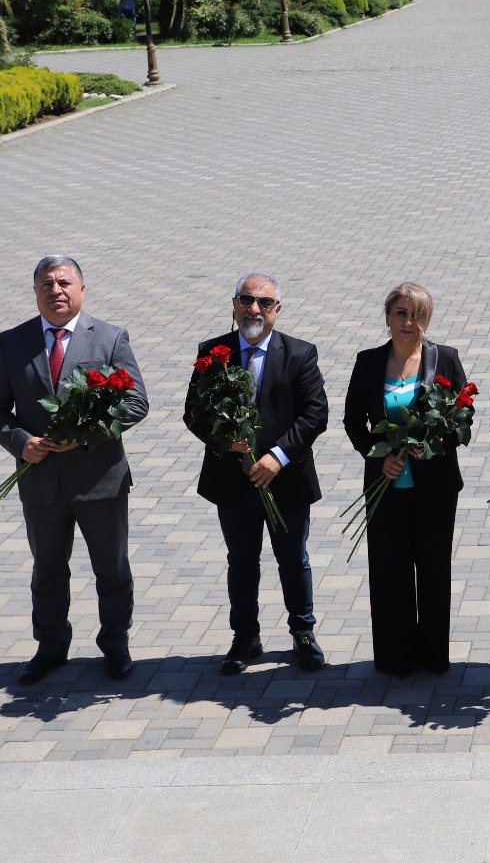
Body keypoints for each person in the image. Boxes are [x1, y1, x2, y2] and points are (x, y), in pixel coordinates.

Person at [0, 256, 149, 685]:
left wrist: (86, 435)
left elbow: (135, 403)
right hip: (40, 482)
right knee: (48, 570)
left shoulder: (110, 338)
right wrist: (22, 443)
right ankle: (51, 647)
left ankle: (115, 645)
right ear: (35, 291)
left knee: (111, 569)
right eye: (46, 284)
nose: (56, 290)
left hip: (99, 480)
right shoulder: (13, 341)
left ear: (82, 288)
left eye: (64, 283)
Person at [183, 273, 329, 676]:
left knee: (293, 560)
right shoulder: (213, 352)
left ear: (277, 311)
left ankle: (303, 633)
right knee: (242, 561)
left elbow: (316, 413)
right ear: (234, 304)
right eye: (247, 300)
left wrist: (276, 458)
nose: (254, 309)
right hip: (232, 481)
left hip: (285, 480)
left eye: (264, 303)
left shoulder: (300, 354)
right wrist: (226, 442)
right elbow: (193, 413)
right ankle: (245, 637)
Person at [345, 282, 468, 677]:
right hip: (386, 487)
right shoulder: (367, 362)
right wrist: (377, 456)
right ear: (387, 316)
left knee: (433, 570)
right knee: (389, 572)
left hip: (434, 488)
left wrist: (431, 445)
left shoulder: (445, 359)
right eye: (401, 312)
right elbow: (352, 421)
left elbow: (462, 419)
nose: (408, 322)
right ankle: (397, 659)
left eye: (417, 314)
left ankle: (433, 657)